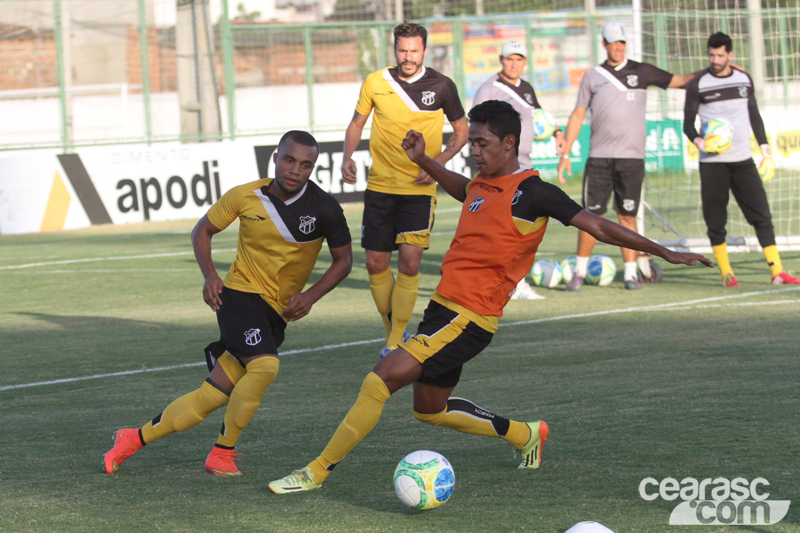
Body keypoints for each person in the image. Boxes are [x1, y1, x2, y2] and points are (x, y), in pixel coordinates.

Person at [268, 100, 712, 494]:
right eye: (473, 144)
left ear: (509, 143)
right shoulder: (481, 184)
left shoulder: (533, 192)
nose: (474, 151)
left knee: (378, 380)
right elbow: (463, 189)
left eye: (481, 144)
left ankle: (315, 472)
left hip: (469, 318)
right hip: (442, 310)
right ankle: (525, 434)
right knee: (429, 411)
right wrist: (424, 160)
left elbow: (596, 224)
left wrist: (663, 251)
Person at [102, 131, 353, 477]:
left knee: (212, 396)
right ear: (276, 158)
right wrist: (210, 275)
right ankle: (222, 452)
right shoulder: (245, 196)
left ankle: (131, 438)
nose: (295, 169)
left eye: (306, 164)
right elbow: (202, 231)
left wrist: (311, 296)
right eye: (289, 160)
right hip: (239, 295)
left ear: (313, 168)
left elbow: (344, 261)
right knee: (265, 367)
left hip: (276, 312)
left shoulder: (325, 208)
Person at [341, 21, 469, 358]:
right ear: (394, 49)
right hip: (380, 187)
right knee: (375, 264)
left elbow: (462, 130)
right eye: (402, 50)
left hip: (418, 191)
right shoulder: (375, 82)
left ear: (424, 50)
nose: (408, 56)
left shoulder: (442, 86)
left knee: (410, 264)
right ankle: (393, 335)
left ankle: (394, 342)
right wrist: (346, 157)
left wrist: (437, 163)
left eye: (414, 50)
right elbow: (357, 123)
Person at [557, 22, 699, 291]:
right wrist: (565, 154)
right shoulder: (593, 76)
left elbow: (680, 81)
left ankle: (631, 275)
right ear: (604, 44)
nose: (618, 47)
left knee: (627, 216)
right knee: (590, 217)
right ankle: (579, 272)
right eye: (613, 42)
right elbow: (578, 114)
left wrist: (714, 70)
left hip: (631, 159)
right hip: (599, 158)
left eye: (621, 42)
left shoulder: (642, 71)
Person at [683, 32, 800, 287]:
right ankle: (726, 273)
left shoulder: (743, 79)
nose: (715, 60)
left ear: (730, 55)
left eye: (720, 55)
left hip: (743, 160)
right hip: (712, 164)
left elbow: (754, 115)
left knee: (762, 215)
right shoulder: (697, 85)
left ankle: (777, 272)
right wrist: (700, 142)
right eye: (711, 55)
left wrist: (765, 149)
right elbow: (687, 124)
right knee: (716, 220)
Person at [473, 39, 565, 300]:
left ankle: (513, 282)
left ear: (525, 62)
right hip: (500, 168)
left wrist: (557, 131)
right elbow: (475, 125)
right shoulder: (489, 88)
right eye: (509, 59)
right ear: (501, 60)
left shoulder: (525, 88)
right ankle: (506, 282)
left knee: (524, 225)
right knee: (500, 228)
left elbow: (539, 115)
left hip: (523, 165)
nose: (514, 64)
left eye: (519, 59)